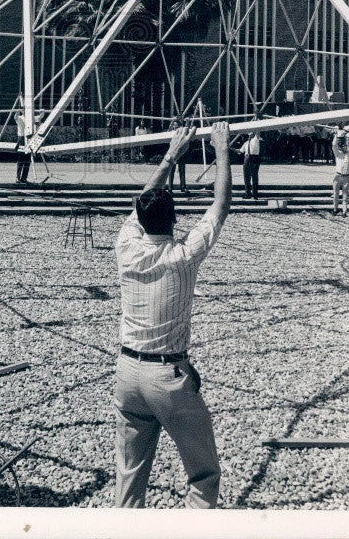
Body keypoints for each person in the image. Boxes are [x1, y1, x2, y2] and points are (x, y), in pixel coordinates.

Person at [113, 121, 231, 509]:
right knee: (203, 473)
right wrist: (222, 149)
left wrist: (170, 153)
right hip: (168, 375)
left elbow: (142, 201)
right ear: (174, 219)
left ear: (141, 221)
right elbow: (220, 206)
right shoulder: (183, 256)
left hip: (128, 371)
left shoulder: (126, 247)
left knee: (129, 474)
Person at [332, 127, 349, 216]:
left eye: (345, 146)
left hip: (346, 177)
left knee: (345, 195)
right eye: (342, 146)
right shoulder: (337, 154)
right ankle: (335, 209)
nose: (343, 148)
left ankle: (344, 211)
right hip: (337, 176)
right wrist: (335, 134)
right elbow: (334, 145)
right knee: (335, 194)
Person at [166, 118, 189, 194]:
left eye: (176, 126)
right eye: (174, 126)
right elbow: (168, 131)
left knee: (182, 170)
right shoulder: (171, 132)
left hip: (181, 153)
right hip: (172, 153)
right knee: (171, 171)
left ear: (180, 127)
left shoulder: (181, 133)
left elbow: (187, 130)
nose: (175, 128)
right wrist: (172, 121)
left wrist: (187, 122)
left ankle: (183, 187)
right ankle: (170, 188)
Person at [239, 130, 261, 201]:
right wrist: (230, 148)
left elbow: (258, 131)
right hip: (247, 158)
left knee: (254, 176)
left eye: (251, 133)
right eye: (249, 133)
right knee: (246, 176)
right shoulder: (246, 143)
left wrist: (256, 121)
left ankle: (255, 194)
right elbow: (240, 151)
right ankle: (248, 193)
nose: (249, 134)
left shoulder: (256, 139)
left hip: (254, 157)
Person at [15, 107, 31, 184]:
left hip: (29, 139)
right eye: (23, 109)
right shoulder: (20, 118)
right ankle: (18, 178)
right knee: (20, 159)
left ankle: (24, 178)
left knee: (28, 160)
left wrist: (42, 112)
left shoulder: (31, 118)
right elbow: (15, 117)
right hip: (21, 138)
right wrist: (17, 111)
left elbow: (40, 117)